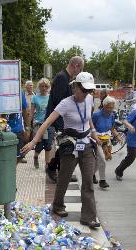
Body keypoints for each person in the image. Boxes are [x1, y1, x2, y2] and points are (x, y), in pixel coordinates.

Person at [22, 71, 100, 229]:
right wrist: (33, 141)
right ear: (75, 87)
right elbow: (47, 122)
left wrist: (94, 132)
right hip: (70, 145)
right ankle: (57, 205)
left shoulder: (90, 99)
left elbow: (88, 117)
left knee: (88, 182)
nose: (86, 94)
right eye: (83, 90)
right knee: (63, 179)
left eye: (89, 90)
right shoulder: (66, 103)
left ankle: (89, 217)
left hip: (86, 144)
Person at [44, 56, 85, 183]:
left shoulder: (66, 77)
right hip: (58, 120)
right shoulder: (62, 78)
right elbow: (58, 101)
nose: (79, 72)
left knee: (66, 147)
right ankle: (55, 169)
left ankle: (60, 171)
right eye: (80, 69)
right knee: (66, 146)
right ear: (76, 65)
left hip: (62, 119)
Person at [92, 95, 118, 189]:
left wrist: (117, 136)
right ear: (104, 105)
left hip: (106, 140)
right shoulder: (96, 115)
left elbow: (111, 127)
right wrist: (95, 137)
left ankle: (91, 175)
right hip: (96, 139)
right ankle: (102, 180)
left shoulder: (112, 115)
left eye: (112, 107)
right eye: (109, 107)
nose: (110, 109)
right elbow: (90, 127)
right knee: (102, 159)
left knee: (99, 160)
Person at [31, 78, 52, 170]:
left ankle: (47, 165)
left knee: (48, 145)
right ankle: (36, 156)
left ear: (48, 87)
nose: (44, 88)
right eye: (42, 86)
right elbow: (31, 112)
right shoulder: (35, 97)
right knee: (39, 145)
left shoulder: (51, 97)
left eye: (46, 86)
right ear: (39, 87)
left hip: (48, 124)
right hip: (38, 123)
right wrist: (29, 125)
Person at [6, 92, 28, 163]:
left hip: (18, 129)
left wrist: (27, 127)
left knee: (19, 155)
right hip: (5, 130)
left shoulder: (20, 92)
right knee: (7, 155)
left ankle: (13, 170)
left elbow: (24, 111)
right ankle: (10, 170)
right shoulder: (2, 89)